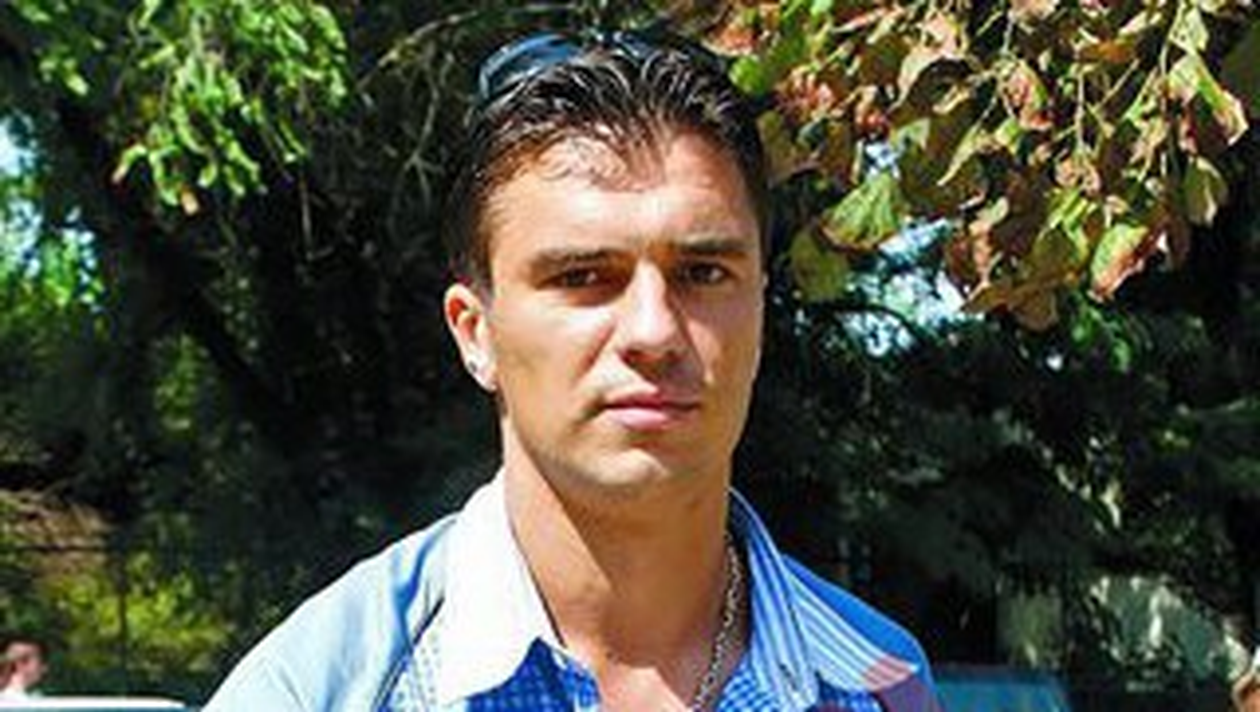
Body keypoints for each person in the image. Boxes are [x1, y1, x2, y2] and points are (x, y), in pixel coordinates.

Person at [205, 27, 939, 711]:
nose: (654, 332)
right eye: (583, 276)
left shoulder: (878, 685)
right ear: (474, 333)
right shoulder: (322, 688)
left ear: (760, 312)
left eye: (703, 273)